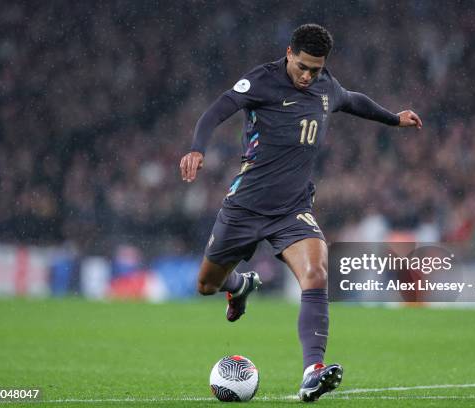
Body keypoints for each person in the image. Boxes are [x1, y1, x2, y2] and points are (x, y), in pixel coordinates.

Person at [180, 23, 422, 402]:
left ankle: (313, 372)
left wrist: (394, 118)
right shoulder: (262, 80)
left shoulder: (326, 85)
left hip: (293, 208)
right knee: (207, 285)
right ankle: (240, 286)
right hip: (245, 205)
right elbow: (216, 110)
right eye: (303, 67)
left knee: (316, 272)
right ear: (290, 52)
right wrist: (197, 148)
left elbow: (353, 100)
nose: (309, 76)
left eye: (317, 69)